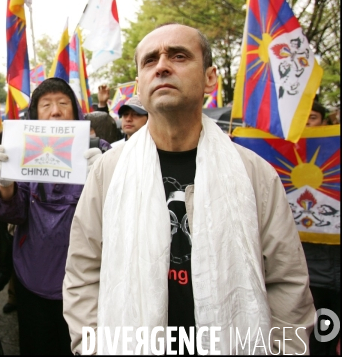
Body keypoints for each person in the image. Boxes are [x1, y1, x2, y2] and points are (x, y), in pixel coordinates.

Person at [63, 23, 315, 355]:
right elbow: (83, 273)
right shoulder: (108, 172)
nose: (163, 65)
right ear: (139, 85)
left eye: (179, 56)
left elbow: (288, 284)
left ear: (210, 77)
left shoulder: (253, 173)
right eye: (150, 60)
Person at [0, 77, 110, 355]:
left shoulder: (99, 152)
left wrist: (106, 178)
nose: (55, 111)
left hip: (85, 284)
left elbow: (121, 215)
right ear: (35, 115)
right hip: (33, 279)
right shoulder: (21, 152)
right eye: (46, 105)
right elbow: (13, 213)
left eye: (63, 103)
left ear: (76, 112)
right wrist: (5, 185)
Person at [304, 99, 340, 355]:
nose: (306, 124)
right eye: (302, 119)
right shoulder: (276, 158)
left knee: (327, 337)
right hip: (308, 275)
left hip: (335, 275)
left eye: (312, 118)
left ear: (325, 122)